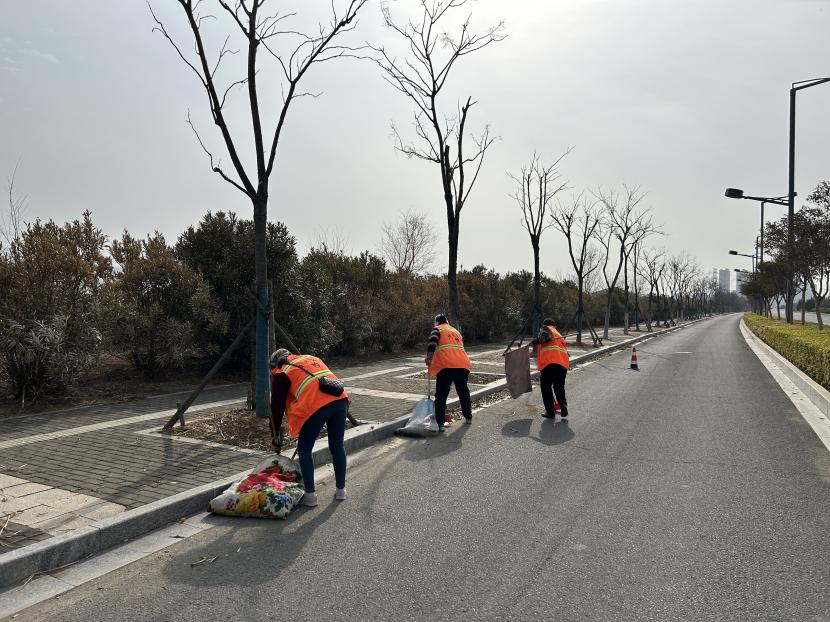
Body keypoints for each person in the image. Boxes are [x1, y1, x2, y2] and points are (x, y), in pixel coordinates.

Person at [269, 348, 349, 507]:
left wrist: (275, 435)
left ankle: (310, 496)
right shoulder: (310, 358)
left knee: (304, 449)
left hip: (316, 406)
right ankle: (341, 491)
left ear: (275, 364)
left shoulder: (282, 371)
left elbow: (276, 409)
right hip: (340, 401)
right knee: (337, 445)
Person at [425, 314, 472, 431]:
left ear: (437, 322)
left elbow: (432, 343)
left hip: (447, 366)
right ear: (447, 321)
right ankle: (468, 416)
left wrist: (429, 357)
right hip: (463, 365)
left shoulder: (437, 329)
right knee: (463, 392)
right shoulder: (456, 331)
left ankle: (440, 423)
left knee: (441, 395)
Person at [531, 317, 570, 420]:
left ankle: (550, 412)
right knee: (559, 386)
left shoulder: (546, 329)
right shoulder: (559, 335)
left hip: (549, 364)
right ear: (555, 326)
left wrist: (533, 342)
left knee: (546, 388)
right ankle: (563, 405)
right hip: (562, 365)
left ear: (544, 325)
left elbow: (542, 338)